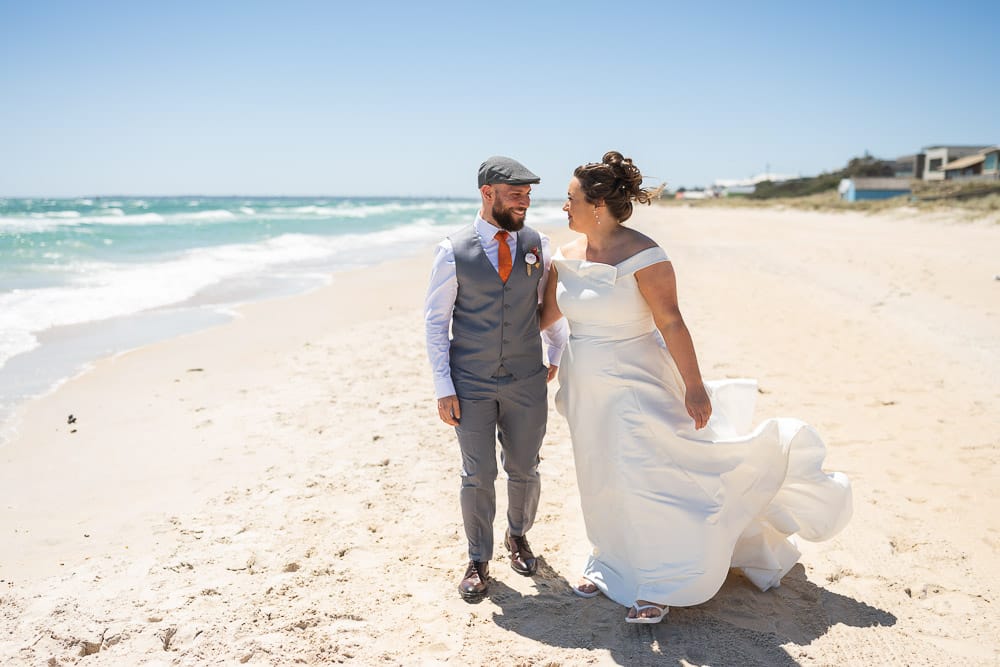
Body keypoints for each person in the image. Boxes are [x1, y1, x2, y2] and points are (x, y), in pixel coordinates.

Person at [540, 151, 852, 623]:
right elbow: (544, 318)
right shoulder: (563, 258)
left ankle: (661, 581)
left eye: (570, 199)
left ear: (598, 204)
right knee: (599, 475)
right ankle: (610, 562)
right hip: (585, 386)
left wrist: (695, 387)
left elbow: (672, 323)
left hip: (636, 382)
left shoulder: (645, 255)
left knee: (648, 476)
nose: (564, 207)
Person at [425, 156, 568, 600]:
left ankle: (518, 536)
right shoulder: (453, 250)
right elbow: (435, 322)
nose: (524, 201)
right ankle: (478, 559)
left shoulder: (538, 244)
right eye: (515, 194)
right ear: (488, 194)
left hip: (527, 377)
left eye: (528, 194)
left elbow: (550, 305)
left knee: (525, 467)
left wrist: (556, 351)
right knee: (478, 473)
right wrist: (444, 388)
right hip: (471, 381)